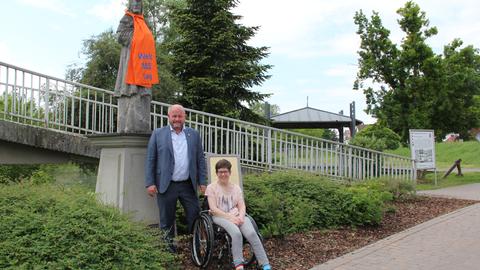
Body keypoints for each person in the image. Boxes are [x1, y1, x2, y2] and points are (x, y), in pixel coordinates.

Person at [145, 104, 207, 252]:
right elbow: (151, 159)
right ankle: (169, 252)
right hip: (166, 185)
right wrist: (150, 183)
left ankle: (196, 249)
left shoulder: (194, 134)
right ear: (169, 117)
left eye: (180, 116)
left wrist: (203, 182)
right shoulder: (158, 134)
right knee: (166, 221)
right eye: (174, 116)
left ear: (184, 117)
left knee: (194, 216)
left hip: (188, 185)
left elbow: (200, 159)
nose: (177, 119)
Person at [205, 159, 271, 270]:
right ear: (216, 173)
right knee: (236, 233)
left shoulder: (236, 188)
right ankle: (239, 265)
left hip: (236, 215)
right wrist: (231, 218)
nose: (223, 174)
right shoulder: (211, 188)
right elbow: (213, 208)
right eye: (220, 171)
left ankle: (265, 264)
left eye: (225, 171)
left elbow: (242, 206)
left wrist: (240, 216)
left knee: (251, 233)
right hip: (219, 216)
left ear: (230, 172)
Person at [114, 0, 159, 133]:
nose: (136, 5)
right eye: (134, 2)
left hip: (143, 63)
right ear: (130, 5)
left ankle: (141, 125)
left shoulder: (143, 21)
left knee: (142, 94)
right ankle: (128, 125)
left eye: (139, 3)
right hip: (130, 59)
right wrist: (137, 37)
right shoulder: (127, 18)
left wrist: (143, 38)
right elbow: (120, 36)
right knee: (130, 91)